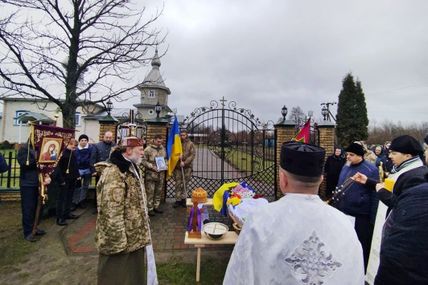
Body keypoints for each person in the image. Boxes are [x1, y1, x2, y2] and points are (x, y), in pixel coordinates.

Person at [223, 142, 364, 284]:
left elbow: (239, 276)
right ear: (320, 180)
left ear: (283, 179)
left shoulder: (260, 220)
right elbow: (354, 274)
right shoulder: (344, 223)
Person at [351, 135, 428, 284]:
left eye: (394, 153)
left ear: (407, 155)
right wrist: (369, 182)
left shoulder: (416, 175)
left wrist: (382, 193)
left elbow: (402, 206)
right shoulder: (405, 169)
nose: (390, 156)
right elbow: (391, 189)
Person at [96, 136, 154, 285]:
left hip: (134, 237)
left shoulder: (132, 167)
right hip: (120, 242)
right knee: (117, 276)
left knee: (133, 275)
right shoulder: (114, 173)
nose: (143, 153)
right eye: (140, 150)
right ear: (128, 151)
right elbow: (111, 212)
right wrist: (118, 244)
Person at [334, 142, 379, 271]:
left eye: (351, 155)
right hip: (343, 212)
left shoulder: (371, 170)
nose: (348, 157)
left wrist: (372, 219)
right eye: (347, 154)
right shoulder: (346, 166)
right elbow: (340, 185)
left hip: (361, 215)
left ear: (360, 156)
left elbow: (374, 194)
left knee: (360, 245)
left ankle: (360, 270)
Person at [17, 142, 49, 241]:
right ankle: (28, 232)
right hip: (28, 183)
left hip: (40, 182)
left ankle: (35, 227)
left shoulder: (42, 147)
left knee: (38, 207)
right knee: (28, 208)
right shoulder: (24, 148)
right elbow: (23, 163)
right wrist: (38, 159)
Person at [53, 138, 80, 226]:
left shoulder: (73, 153)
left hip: (72, 178)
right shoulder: (62, 154)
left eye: (75, 145)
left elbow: (74, 165)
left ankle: (67, 213)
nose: (73, 146)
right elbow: (57, 168)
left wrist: (77, 175)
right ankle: (60, 217)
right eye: (71, 144)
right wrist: (61, 180)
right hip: (64, 179)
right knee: (62, 199)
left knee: (69, 197)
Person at [142, 135, 167, 216]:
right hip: (151, 174)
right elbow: (143, 160)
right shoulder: (148, 149)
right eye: (158, 141)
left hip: (161, 174)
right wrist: (151, 166)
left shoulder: (163, 149)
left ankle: (156, 206)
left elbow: (165, 159)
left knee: (158, 191)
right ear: (154, 140)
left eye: (161, 141)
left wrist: (165, 165)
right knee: (150, 192)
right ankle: (150, 208)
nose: (160, 143)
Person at [93, 131, 116, 213]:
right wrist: (93, 170)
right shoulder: (97, 146)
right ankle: (97, 206)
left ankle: (107, 206)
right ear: (104, 137)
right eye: (107, 137)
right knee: (99, 188)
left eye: (110, 138)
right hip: (100, 171)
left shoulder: (115, 146)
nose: (108, 139)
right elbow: (93, 158)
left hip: (111, 171)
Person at [173, 130, 195, 208]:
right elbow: (173, 154)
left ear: (186, 135)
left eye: (184, 135)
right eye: (181, 135)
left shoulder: (190, 144)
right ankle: (177, 200)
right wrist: (177, 158)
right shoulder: (177, 143)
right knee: (178, 184)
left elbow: (192, 155)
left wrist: (185, 162)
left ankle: (183, 199)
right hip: (178, 168)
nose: (182, 137)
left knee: (185, 184)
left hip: (187, 167)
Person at [73, 134, 96, 209]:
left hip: (87, 170)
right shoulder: (76, 150)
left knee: (85, 186)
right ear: (79, 141)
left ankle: (82, 200)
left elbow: (92, 158)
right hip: (79, 170)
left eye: (85, 140)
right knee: (77, 186)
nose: (84, 142)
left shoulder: (90, 149)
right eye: (82, 140)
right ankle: (75, 201)